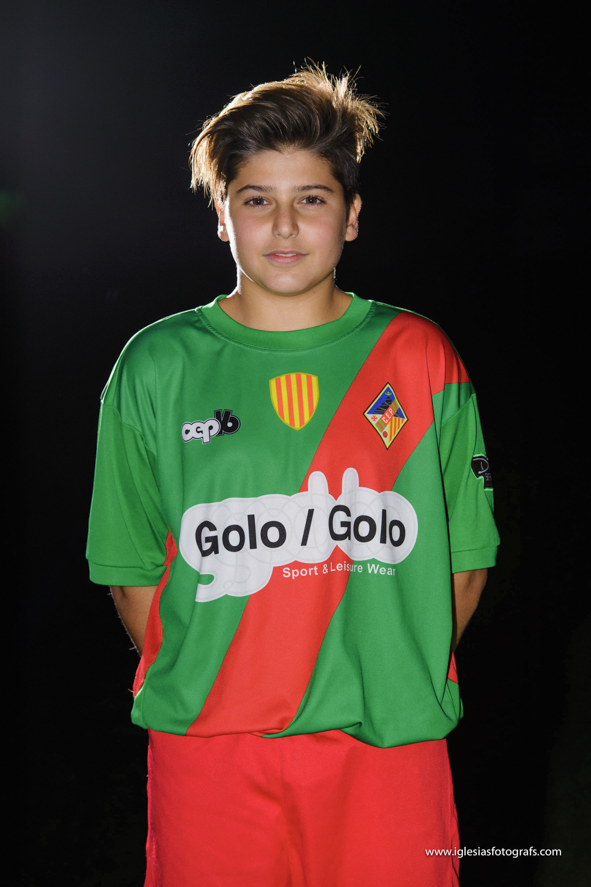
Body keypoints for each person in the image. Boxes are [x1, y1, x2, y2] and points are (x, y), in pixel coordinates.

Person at [87, 63, 499, 887]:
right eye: (255, 199)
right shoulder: (156, 364)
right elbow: (130, 570)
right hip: (210, 745)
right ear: (221, 216)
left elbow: (462, 564)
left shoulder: (419, 355)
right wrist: (221, 677)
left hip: (385, 737)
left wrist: (388, 668)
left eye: (310, 198)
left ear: (351, 215)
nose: (283, 225)